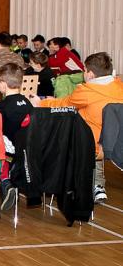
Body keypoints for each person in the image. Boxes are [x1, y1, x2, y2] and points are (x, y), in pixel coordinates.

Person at [30, 52, 123, 204]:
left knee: (69, 131)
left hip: (91, 146)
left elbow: (65, 104)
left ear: (90, 74)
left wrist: (42, 102)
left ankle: (62, 182)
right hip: (116, 145)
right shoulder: (120, 86)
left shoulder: (87, 91)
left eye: (84, 70)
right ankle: (97, 185)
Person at [0, 63, 34, 211]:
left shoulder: (0, 107)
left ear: (3, 84)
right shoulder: (28, 103)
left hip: (10, 151)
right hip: (29, 149)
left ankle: (5, 181)